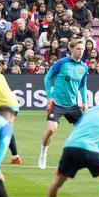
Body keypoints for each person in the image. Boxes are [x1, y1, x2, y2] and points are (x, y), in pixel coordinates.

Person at [38, 39, 89, 169]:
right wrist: (49, 97)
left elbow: (82, 85)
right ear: (71, 49)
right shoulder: (62, 63)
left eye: (82, 49)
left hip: (72, 105)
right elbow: (47, 77)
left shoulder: (84, 67)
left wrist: (84, 101)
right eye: (78, 48)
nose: (80, 51)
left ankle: (79, 157)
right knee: (51, 129)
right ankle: (43, 152)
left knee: (84, 131)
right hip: (57, 103)